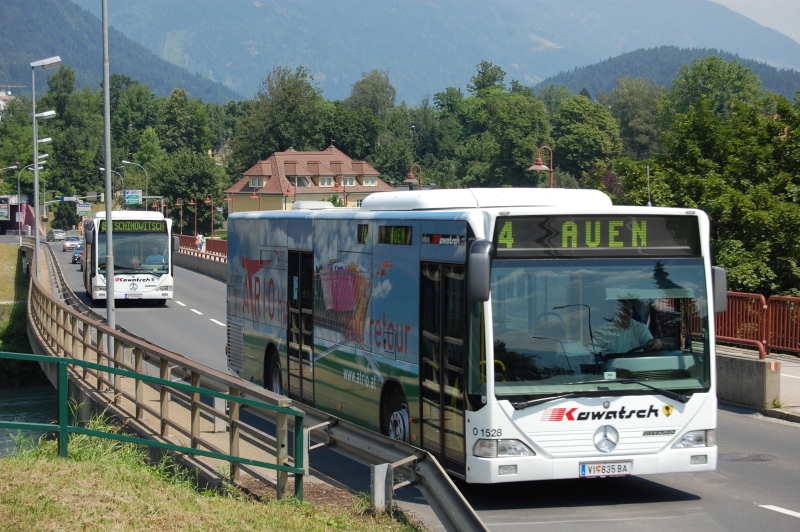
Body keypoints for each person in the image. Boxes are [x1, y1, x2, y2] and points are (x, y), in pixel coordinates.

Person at [596, 299, 662, 353]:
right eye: (624, 309)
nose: (628, 311)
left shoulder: (639, 327)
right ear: (616, 311)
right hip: (610, 366)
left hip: (635, 366)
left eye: (630, 309)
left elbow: (650, 341)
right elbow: (592, 350)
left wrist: (654, 342)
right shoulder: (604, 329)